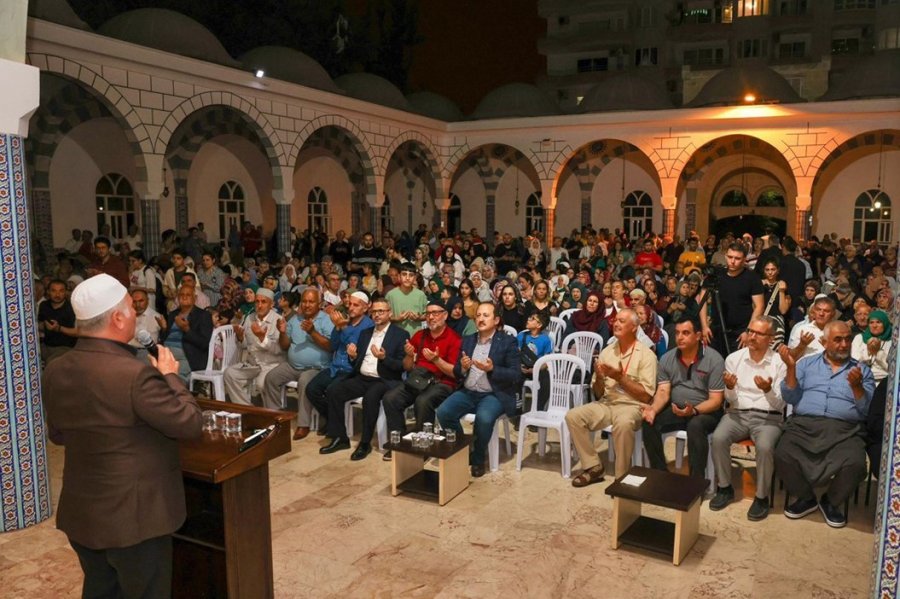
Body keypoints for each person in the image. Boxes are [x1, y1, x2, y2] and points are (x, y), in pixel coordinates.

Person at [43, 273, 202, 598]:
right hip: (134, 520)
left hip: (83, 514)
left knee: (101, 590)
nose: (134, 315)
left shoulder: (56, 369)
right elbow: (189, 423)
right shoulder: (134, 375)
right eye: (131, 308)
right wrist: (171, 377)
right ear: (117, 318)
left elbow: (58, 435)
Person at [774, 321, 875, 528]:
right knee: (782, 454)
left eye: (847, 339)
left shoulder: (862, 371)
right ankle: (806, 497)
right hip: (804, 426)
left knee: (855, 464)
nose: (844, 344)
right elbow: (790, 397)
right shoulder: (806, 364)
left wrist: (856, 387)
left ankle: (831, 501)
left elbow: (866, 411)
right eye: (838, 339)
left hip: (845, 430)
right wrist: (791, 367)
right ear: (825, 342)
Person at [709, 316, 787, 521]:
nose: (752, 336)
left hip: (768, 418)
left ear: (770, 338)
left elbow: (780, 405)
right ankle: (724, 488)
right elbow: (730, 400)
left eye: (759, 333)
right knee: (718, 438)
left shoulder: (780, 363)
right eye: (750, 331)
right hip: (737, 414)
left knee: (764, 447)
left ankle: (761, 497)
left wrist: (768, 390)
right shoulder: (734, 358)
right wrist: (730, 387)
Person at [566, 308, 657, 485]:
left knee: (623, 423)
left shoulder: (647, 355)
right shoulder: (608, 352)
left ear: (634, 327)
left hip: (632, 405)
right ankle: (593, 467)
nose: (616, 323)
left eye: (622, 321)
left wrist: (620, 378)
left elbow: (646, 396)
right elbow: (599, 393)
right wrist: (599, 378)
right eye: (615, 320)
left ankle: (621, 476)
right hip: (607, 403)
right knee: (573, 416)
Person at [437, 302, 522, 477]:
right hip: (468, 391)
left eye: (486, 315)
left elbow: (515, 374)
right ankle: (462, 449)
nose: (481, 319)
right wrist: (463, 367)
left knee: (484, 418)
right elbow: (458, 372)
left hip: (493, 394)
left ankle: (477, 458)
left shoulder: (507, 341)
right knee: (444, 412)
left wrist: (492, 369)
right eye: (478, 315)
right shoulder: (468, 340)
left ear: (496, 320)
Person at [319, 298, 410, 460]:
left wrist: (383, 358)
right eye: (374, 312)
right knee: (334, 390)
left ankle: (365, 443)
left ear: (389, 313)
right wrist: (353, 356)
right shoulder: (365, 333)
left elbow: (401, 366)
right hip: (362, 377)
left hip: (384, 379)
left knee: (371, 397)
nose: (377, 315)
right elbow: (357, 360)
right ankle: (340, 437)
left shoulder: (400, 334)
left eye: (381, 311)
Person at [642, 315, 725, 478]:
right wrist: (653, 409)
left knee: (695, 426)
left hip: (705, 411)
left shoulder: (714, 359)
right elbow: (663, 392)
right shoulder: (668, 358)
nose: (680, 337)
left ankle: (696, 482)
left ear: (698, 336)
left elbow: (716, 401)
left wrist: (693, 410)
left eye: (686, 333)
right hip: (676, 408)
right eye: (677, 333)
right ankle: (660, 474)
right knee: (649, 422)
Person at [380, 300, 462, 460]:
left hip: (443, 382)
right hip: (419, 379)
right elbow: (408, 367)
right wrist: (410, 355)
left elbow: (454, 373)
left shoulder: (454, 339)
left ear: (445, 315)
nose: (431, 317)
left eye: (435, 313)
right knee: (390, 398)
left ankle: (423, 446)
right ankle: (400, 443)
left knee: (423, 401)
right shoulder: (420, 335)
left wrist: (437, 360)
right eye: (428, 313)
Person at [263, 288, 335, 439]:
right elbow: (284, 345)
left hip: (317, 368)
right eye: (304, 301)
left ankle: (303, 425)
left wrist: (312, 332)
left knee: (304, 381)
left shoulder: (326, 320)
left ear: (319, 303)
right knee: (271, 378)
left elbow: (330, 346)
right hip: (292, 366)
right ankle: (276, 418)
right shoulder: (295, 319)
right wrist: (282, 332)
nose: (307, 305)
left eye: (311, 301)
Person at [313, 292, 375, 453]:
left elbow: (357, 350)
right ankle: (333, 419)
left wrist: (344, 327)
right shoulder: (343, 321)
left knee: (334, 391)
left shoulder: (368, 325)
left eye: (356, 305)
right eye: (350, 304)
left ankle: (340, 436)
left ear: (365, 307)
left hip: (351, 370)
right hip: (335, 367)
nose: (351, 308)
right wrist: (338, 327)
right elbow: (333, 345)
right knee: (312, 389)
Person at [699, 242, 764, 356]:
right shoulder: (716, 275)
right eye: (730, 257)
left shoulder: (752, 278)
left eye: (737, 258)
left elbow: (759, 306)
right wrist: (704, 326)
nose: (732, 261)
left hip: (740, 332)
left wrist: (748, 331)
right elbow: (702, 300)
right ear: (725, 256)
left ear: (744, 259)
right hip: (716, 330)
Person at [223, 288, 286, 405]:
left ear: (272, 304)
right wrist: (240, 338)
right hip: (253, 363)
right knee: (229, 373)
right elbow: (246, 345)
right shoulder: (250, 318)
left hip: (271, 364)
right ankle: (247, 410)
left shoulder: (278, 320)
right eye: (257, 302)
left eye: (264, 302)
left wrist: (263, 338)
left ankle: (270, 414)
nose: (259, 305)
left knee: (262, 383)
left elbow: (280, 350)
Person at [160, 285, 214, 382]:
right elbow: (164, 340)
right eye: (181, 294)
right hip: (167, 353)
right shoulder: (173, 314)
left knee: (170, 379)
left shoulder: (203, 315)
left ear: (195, 298)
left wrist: (187, 329)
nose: (184, 297)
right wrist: (164, 329)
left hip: (187, 356)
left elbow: (204, 343)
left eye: (188, 295)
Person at [38, 279, 78, 364]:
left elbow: (79, 331)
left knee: (51, 363)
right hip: (45, 345)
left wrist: (59, 328)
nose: (57, 294)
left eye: (61, 291)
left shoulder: (72, 308)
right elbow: (39, 324)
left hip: (65, 347)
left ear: (66, 292)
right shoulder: (44, 305)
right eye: (53, 291)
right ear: (48, 292)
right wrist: (43, 325)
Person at [787, 296, 838, 360]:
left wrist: (828, 349)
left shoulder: (838, 332)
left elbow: (842, 361)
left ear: (833, 314)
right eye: (818, 309)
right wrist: (802, 345)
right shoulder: (802, 329)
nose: (821, 313)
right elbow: (791, 358)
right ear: (813, 311)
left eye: (826, 311)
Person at [385, 262, 428, 336]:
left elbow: (427, 315)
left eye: (411, 275)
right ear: (399, 276)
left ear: (414, 278)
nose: (407, 278)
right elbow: (385, 317)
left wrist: (418, 318)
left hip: (416, 336)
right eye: (404, 274)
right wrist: (397, 319)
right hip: (395, 335)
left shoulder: (421, 295)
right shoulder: (390, 295)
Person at [850, 310, 892, 383]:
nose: (874, 326)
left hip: (884, 382)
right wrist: (869, 353)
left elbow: (892, 369)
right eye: (871, 322)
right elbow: (854, 363)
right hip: (863, 381)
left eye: (878, 322)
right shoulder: (859, 338)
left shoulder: (891, 342)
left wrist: (878, 353)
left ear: (885, 323)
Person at [129, 289, 165, 361]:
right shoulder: (126, 316)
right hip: (127, 351)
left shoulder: (157, 317)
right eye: (134, 301)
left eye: (141, 301)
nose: (138, 305)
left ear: (148, 301)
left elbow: (162, 341)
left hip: (146, 353)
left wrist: (164, 328)